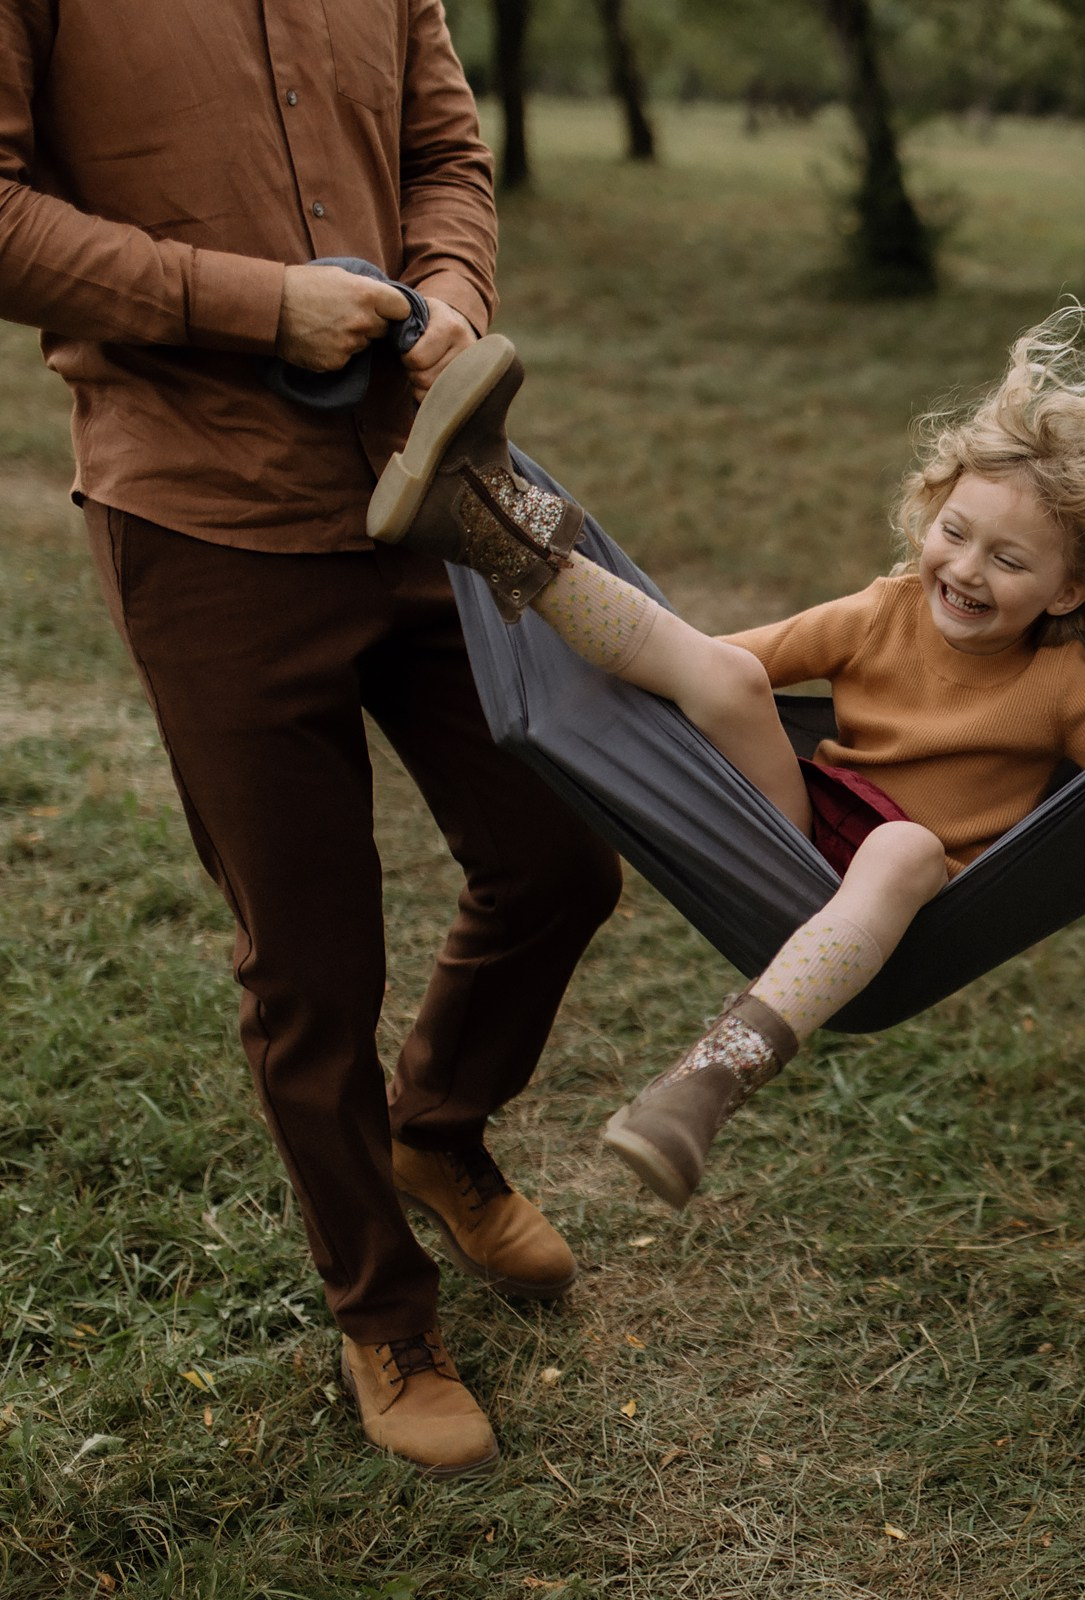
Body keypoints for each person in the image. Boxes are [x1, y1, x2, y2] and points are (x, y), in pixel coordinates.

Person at [0, 4, 624, 1477]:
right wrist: (254, 304)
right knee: (311, 966)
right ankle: (385, 1313)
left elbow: (444, 151)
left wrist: (451, 286)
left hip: (435, 486)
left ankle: (440, 1125)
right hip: (202, 511)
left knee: (559, 858)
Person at [369, 306, 1085, 1209]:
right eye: (955, 531)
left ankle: (705, 1084)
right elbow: (711, 663)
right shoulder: (882, 609)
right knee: (729, 675)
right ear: (930, 512)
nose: (968, 570)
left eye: (1010, 561)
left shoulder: (1065, 688)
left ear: (1070, 589)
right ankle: (486, 519)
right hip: (796, 832)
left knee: (899, 848)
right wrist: (659, 717)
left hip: (915, 891)